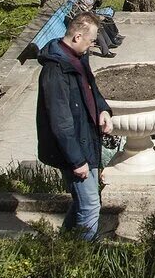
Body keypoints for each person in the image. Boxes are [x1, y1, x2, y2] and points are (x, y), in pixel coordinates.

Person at [36, 13, 113, 240]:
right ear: (78, 36)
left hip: (87, 141)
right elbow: (60, 122)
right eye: (91, 40)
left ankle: (64, 246)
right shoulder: (55, 71)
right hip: (75, 151)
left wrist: (103, 109)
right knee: (90, 206)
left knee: (84, 201)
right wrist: (77, 161)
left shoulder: (78, 58)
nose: (93, 45)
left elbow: (91, 90)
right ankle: (81, 258)